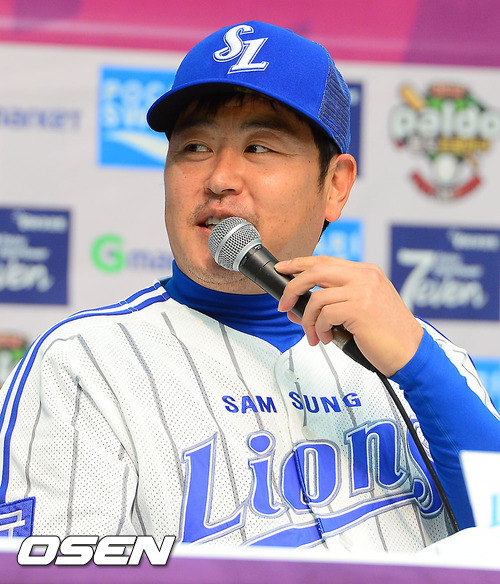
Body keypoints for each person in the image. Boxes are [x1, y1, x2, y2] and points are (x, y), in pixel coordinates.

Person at [1, 20, 500, 553]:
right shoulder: (83, 363)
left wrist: (421, 366)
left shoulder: (419, 354)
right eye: (194, 147)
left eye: (260, 147)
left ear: (335, 186)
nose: (219, 178)